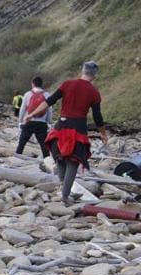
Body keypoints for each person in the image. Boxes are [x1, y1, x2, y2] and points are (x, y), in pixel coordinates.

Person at [24, 61, 107, 204]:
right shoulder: (94, 92)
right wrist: (103, 134)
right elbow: (97, 117)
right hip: (78, 128)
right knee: (73, 162)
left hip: (61, 126)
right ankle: (65, 195)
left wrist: (31, 114)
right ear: (95, 75)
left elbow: (48, 101)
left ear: (82, 70)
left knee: (60, 156)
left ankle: (63, 186)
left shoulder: (67, 84)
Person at [16, 77, 52, 158]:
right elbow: (49, 110)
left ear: (33, 84)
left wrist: (20, 121)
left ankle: (17, 157)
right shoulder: (46, 95)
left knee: (22, 142)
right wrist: (49, 122)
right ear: (41, 84)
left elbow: (23, 109)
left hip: (29, 121)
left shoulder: (28, 94)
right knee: (44, 145)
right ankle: (47, 161)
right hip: (41, 123)